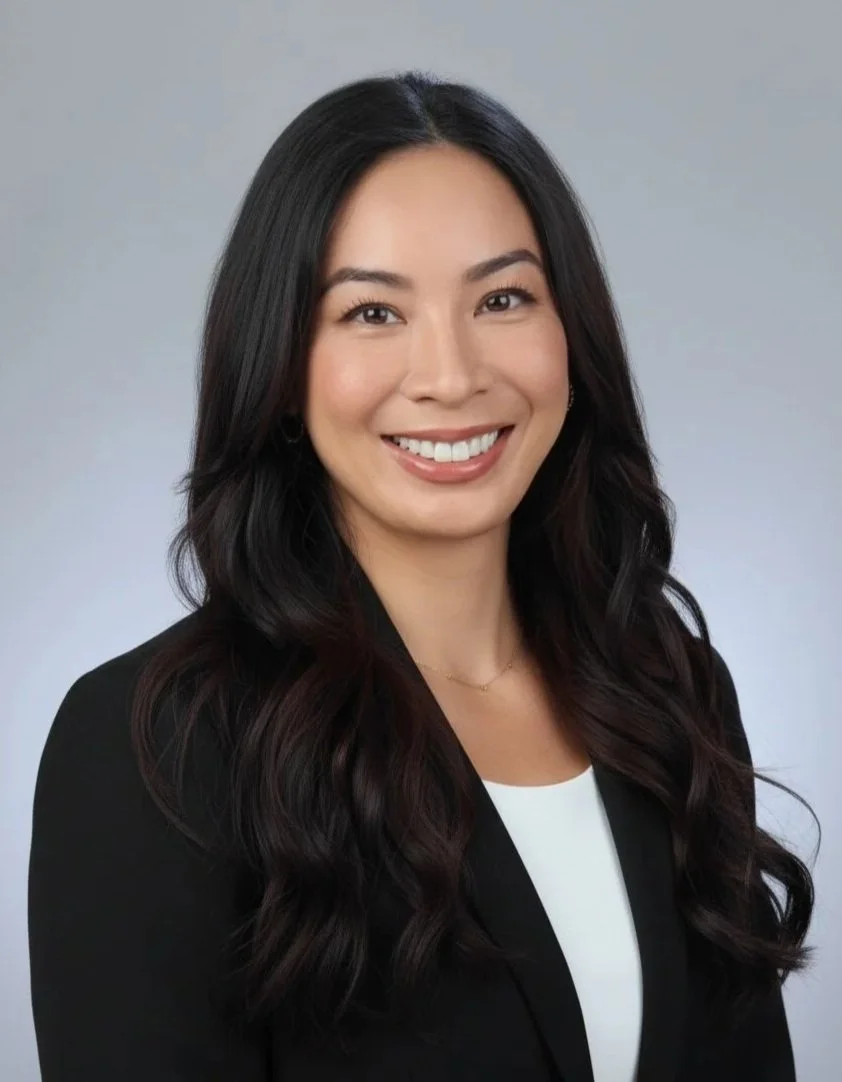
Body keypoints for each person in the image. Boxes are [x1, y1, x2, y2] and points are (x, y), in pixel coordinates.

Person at [28, 70, 816, 1081]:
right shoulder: (157, 744)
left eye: (500, 297)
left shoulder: (668, 690)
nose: (449, 374)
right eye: (370, 313)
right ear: (279, 361)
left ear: (568, 336)